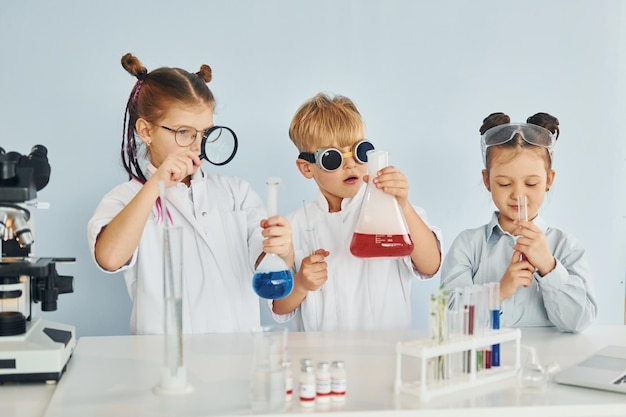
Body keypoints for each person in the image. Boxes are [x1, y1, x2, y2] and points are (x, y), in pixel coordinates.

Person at [87, 53, 293, 334]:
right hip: (163, 362)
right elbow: (110, 257)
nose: (197, 146)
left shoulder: (236, 193)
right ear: (146, 131)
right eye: (184, 132)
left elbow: (266, 264)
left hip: (236, 357)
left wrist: (282, 249)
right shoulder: (125, 198)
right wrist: (155, 185)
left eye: (205, 133)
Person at [270, 93, 442, 331]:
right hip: (323, 360)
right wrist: (300, 284)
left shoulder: (390, 207)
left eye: (359, 151)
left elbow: (430, 264)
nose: (350, 165)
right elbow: (280, 306)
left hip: (385, 356)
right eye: (332, 158)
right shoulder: (295, 225)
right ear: (307, 168)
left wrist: (402, 204)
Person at [440, 112, 596, 332]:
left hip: (549, 363)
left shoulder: (566, 247)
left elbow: (579, 322)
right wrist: (499, 291)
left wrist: (549, 268)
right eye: (504, 184)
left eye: (531, 184)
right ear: (487, 180)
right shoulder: (468, 245)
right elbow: (449, 319)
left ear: (549, 180)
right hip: (489, 363)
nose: (518, 195)